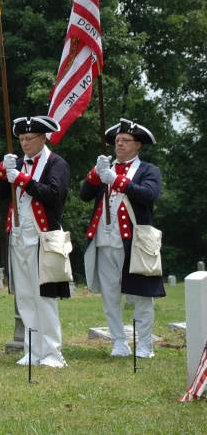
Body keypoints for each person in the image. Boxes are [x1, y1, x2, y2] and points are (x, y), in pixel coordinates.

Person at [81, 118, 164, 358]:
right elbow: (84, 194)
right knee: (110, 296)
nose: (120, 144)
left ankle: (144, 345)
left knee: (141, 296)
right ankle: (119, 342)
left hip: (135, 244)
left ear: (138, 145)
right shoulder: (105, 167)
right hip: (104, 240)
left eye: (125, 141)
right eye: (117, 141)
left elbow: (148, 195)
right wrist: (96, 175)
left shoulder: (148, 170)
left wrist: (116, 181)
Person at [0, 116, 70, 367]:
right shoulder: (16, 163)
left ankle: (51, 352)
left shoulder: (56, 163)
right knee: (25, 297)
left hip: (43, 237)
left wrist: (22, 179)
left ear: (43, 138)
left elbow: (54, 195)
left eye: (30, 139)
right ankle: (32, 349)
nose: (25, 143)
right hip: (17, 235)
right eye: (22, 139)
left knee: (44, 298)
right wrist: (2, 174)